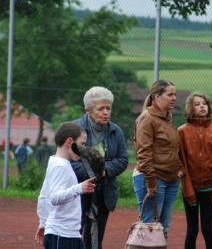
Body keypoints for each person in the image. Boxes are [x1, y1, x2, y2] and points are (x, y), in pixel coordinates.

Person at [71, 86, 129, 249]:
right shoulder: (74, 129)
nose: (106, 112)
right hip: (78, 192)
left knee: (97, 238)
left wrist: (104, 170)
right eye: (101, 108)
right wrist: (92, 173)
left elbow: (123, 159)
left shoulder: (116, 131)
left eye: (108, 108)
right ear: (88, 110)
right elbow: (68, 161)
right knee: (77, 234)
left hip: (104, 192)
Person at [133, 80, 184, 238]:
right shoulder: (147, 119)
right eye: (170, 94)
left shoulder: (167, 119)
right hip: (154, 180)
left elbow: (173, 148)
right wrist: (151, 182)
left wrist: (179, 169)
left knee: (163, 228)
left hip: (171, 179)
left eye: (175, 94)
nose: (174, 98)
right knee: (149, 228)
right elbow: (144, 153)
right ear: (157, 97)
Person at [35, 122, 96, 249]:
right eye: (82, 144)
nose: (84, 148)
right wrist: (80, 188)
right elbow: (54, 198)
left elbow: (43, 196)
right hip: (62, 235)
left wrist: (43, 223)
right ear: (69, 142)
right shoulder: (60, 166)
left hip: (67, 234)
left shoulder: (56, 162)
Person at [178, 93, 212, 249]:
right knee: (192, 229)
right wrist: (188, 189)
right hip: (190, 187)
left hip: (209, 188)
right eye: (197, 104)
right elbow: (181, 162)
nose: (202, 106)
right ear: (190, 108)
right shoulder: (182, 131)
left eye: (204, 103)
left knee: (207, 229)